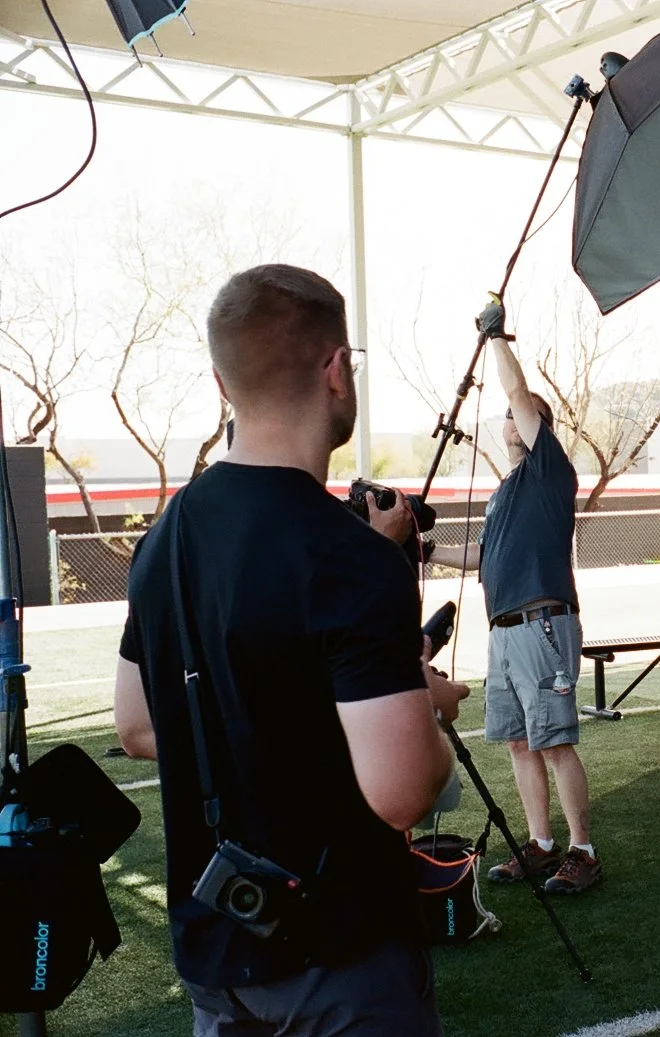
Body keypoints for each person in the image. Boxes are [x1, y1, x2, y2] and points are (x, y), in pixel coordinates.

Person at [113, 264, 470, 1036]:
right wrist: (424, 702)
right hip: (341, 961)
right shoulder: (350, 558)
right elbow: (405, 792)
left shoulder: (162, 541)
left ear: (221, 381)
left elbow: (137, 726)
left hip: (218, 960)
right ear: (336, 369)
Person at [426, 333, 601, 895]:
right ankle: (541, 844)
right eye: (506, 415)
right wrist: (427, 551)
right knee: (520, 743)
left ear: (535, 427)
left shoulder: (549, 471)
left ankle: (583, 850)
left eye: (518, 415)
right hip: (503, 633)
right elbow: (486, 556)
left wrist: (496, 337)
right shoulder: (506, 491)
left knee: (553, 741)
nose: (510, 418)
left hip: (541, 625)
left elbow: (518, 392)